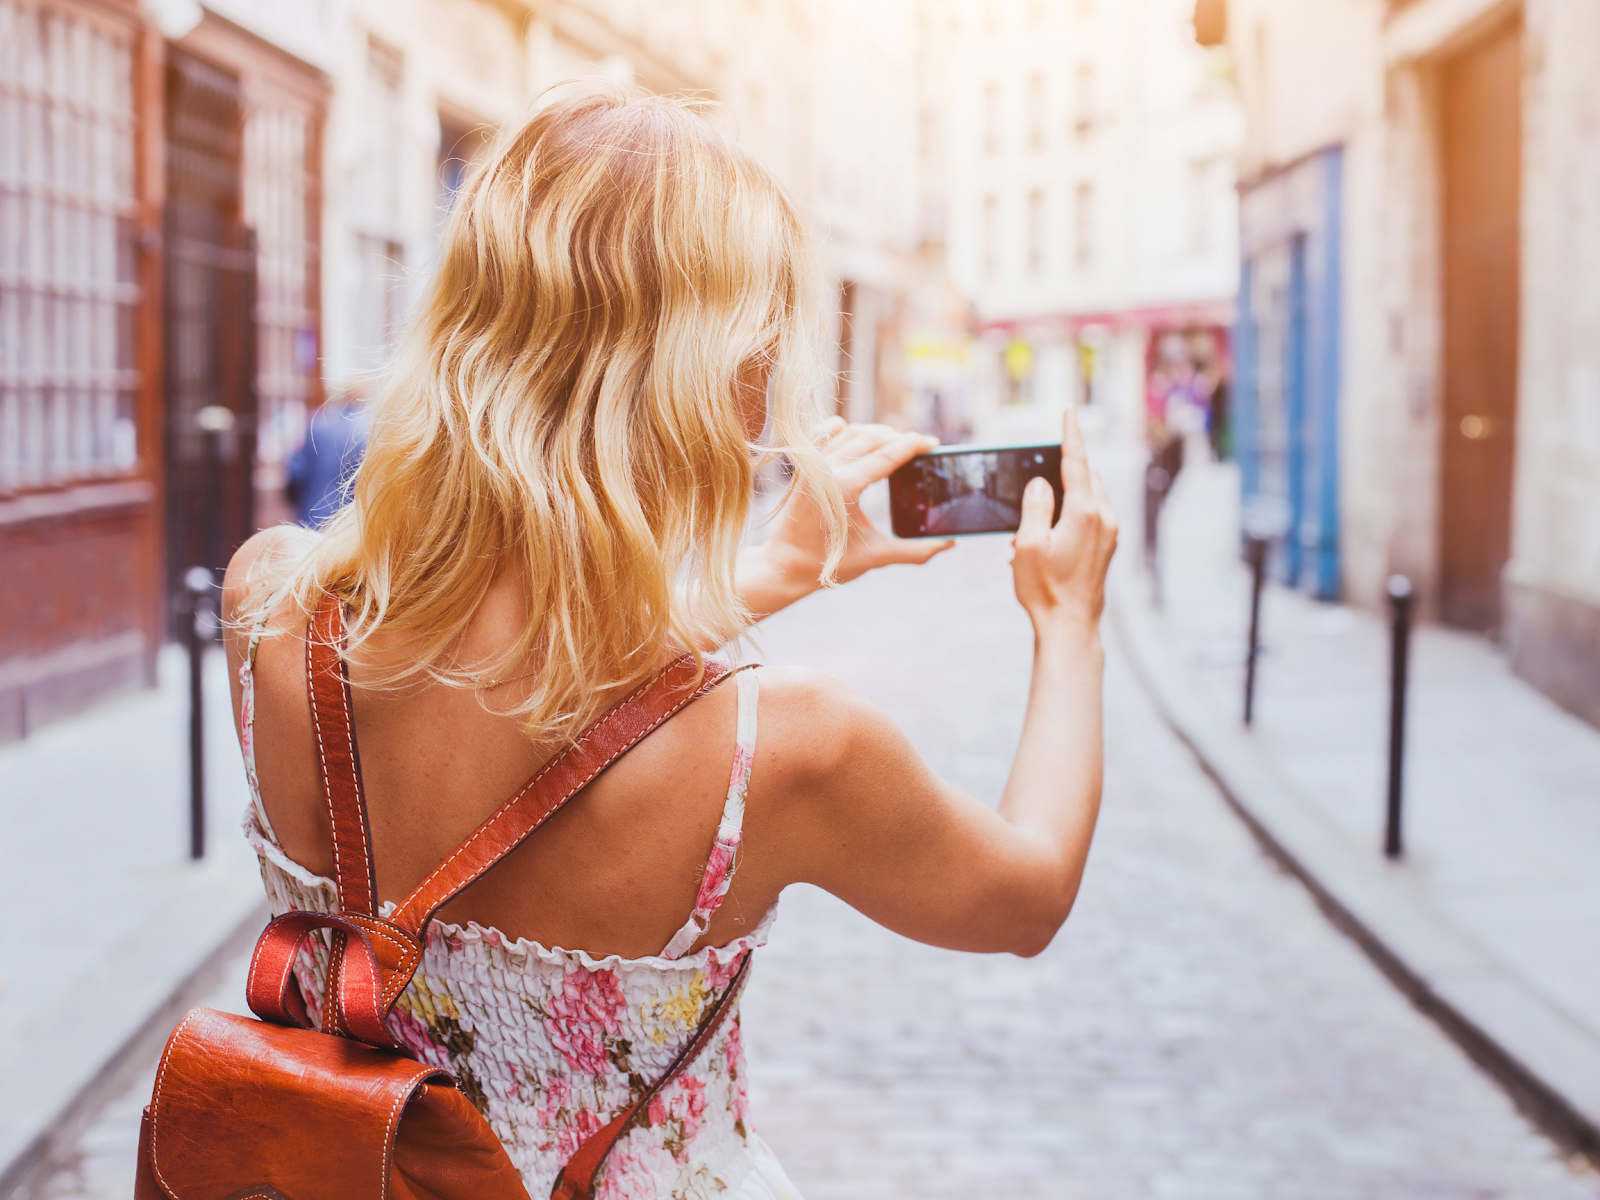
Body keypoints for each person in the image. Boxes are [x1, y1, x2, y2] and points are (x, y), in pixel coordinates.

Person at [221, 85, 1116, 1200]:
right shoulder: (788, 750)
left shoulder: (273, 610)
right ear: (719, 380)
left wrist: (770, 575)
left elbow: (525, 700)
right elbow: (1025, 898)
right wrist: (1068, 622)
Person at [284, 388, 369, 528]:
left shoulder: (317, 424)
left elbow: (296, 472)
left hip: (314, 514)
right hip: (354, 523)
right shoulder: (372, 430)